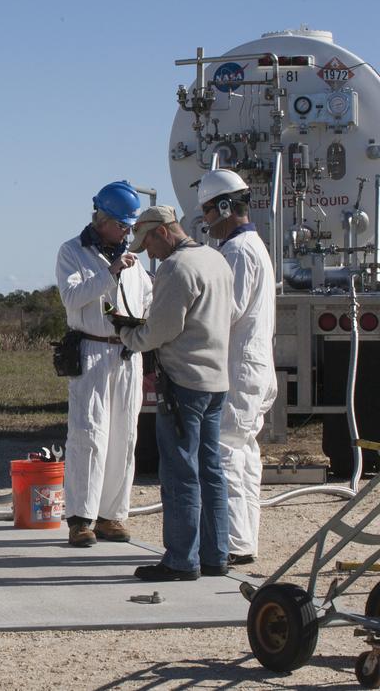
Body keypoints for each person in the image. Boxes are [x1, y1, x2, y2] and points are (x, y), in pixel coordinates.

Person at [119, 205, 234, 581]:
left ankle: (181, 560)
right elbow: (228, 313)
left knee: (180, 471)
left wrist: (128, 334)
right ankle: (216, 554)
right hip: (215, 380)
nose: (148, 252)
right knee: (211, 469)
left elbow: (162, 329)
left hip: (184, 381)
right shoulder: (215, 259)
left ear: (163, 232)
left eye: (149, 241)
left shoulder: (176, 268)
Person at [55, 181, 152, 548]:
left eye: (130, 226)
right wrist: (109, 272)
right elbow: (73, 297)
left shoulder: (134, 260)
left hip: (127, 352)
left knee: (124, 436)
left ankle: (113, 514)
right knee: (88, 435)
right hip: (92, 352)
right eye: (123, 224)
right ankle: (81, 518)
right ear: (103, 219)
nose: (128, 232)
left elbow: (146, 295)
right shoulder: (72, 253)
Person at [199, 169, 277, 566]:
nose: (206, 221)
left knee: (226, 452)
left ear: (226, 207)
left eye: (209, 211)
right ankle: (241, 540)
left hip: (239, 368)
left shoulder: (236, 252)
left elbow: (225, 311)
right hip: (254, 367)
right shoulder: (254, 246)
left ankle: (229, 542)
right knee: (244, 454)